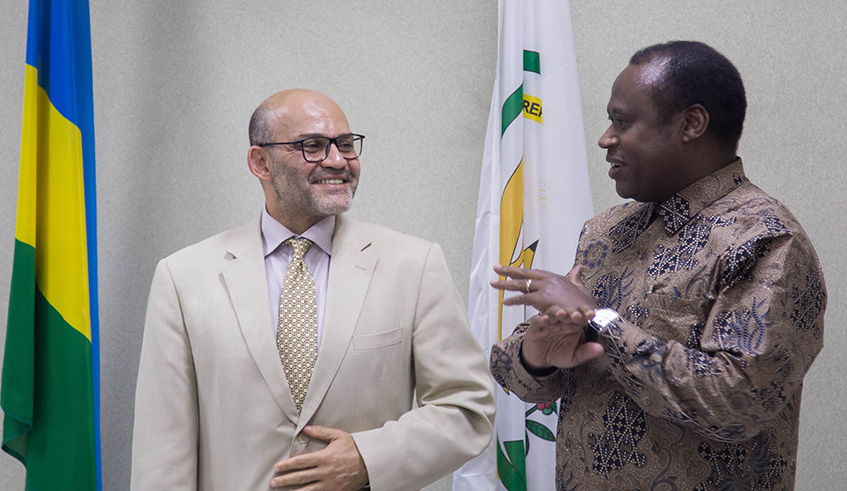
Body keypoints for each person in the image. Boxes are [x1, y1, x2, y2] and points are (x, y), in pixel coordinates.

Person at [489, 41, 826, 490]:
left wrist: (601, 321)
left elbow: (738, 403)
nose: (606, 138)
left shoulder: (766, 239)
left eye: (623, 122)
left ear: (691, 124)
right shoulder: (605, 231)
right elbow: (517, 375)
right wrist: (539, 357)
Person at [131, 89, 495, 490]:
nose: (338, 160)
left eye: (344, 145)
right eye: (313, 146)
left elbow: (467, 408)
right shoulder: (183, 278)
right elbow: (162, 452)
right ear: (260, 162)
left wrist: (368, 458)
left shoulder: (415, 265)